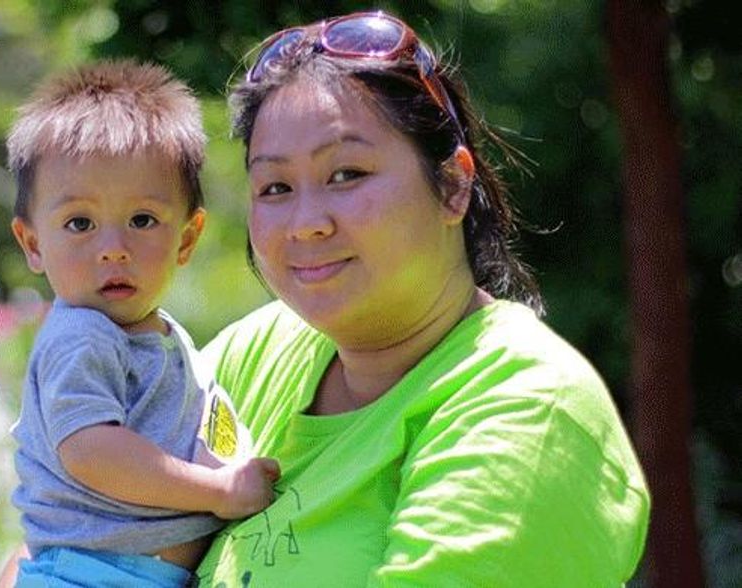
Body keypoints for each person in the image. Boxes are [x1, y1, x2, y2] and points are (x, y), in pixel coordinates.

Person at [189, 10, 650, 587]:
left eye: (346, 174)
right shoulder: (255, 354)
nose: (305, 223)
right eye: (275, 187)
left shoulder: (527, 406)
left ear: (454, 185)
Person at [6, 59, 280, 588]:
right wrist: (220, 491)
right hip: (90, 576)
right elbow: (92, 452)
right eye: (80, 223)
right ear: (33, 243)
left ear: (186, 238)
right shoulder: (82, 335)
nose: (113, 249)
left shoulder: (156, 334)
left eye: (142, 220)